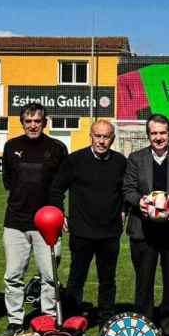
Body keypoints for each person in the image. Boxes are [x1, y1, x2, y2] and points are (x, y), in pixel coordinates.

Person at [49, 119, 126, 325]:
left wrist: (125, 209)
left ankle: (105, 319)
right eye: (97, 136)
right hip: (81, 231)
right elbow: (57, 189)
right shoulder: (75, 160)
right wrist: (60, 213)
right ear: (90, 136)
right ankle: (72, 318)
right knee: (77, 277)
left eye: (106, 136)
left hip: (110, 232)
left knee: (107, 280)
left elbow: (127, 191)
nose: (101, 141)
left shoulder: (120, 162)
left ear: (112, 138)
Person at [1, 103, 68, 336]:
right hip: (15, 223)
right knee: (13, 275)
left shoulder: (57, 148)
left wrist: (59, 213)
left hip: (47, 224)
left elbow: (61, 186)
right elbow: (8, 182)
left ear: (45, 122)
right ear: (22, 122)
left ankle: (49, 318)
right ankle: (15, 321)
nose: (33, 125)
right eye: (28, 121)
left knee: (50, 276)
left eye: (37, 121)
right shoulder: (11, 147)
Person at [123, 114, 169, 336]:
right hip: (143, 230)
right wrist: (141, 202)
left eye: (163, 133)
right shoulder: (136, 158)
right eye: (154, 133)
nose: (159, 137)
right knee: (144, 281)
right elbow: (129, 189)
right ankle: (145, 327)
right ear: (148, 135)